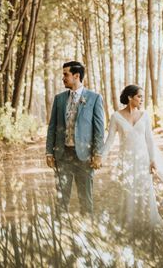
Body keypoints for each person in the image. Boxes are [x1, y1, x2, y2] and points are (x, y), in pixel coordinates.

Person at [100, 85, 163, 229]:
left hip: (143, 160)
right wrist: (101, 158)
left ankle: (145, 221)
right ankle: (128, 222)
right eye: (139, 96)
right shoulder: (116, 116)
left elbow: (149, 139)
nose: (142, 99)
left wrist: (152, 159)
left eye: (142, 97)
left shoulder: (145, 116)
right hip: (126, 160)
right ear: (130, 97)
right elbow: (110, 140)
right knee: (127, 191)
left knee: (144, 190)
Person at [45, 61, 105, 214]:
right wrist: (49, 152)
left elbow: (99, 130)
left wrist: (98, 154)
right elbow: (52, 127)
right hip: (62, 155)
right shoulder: (59, 99)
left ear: (76, 76)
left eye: (66, 74)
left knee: (86, 198)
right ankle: (61, 231)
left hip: (84, 157)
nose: (63, 78)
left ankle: (87, 229)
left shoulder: (94, 98)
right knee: (61, 198)